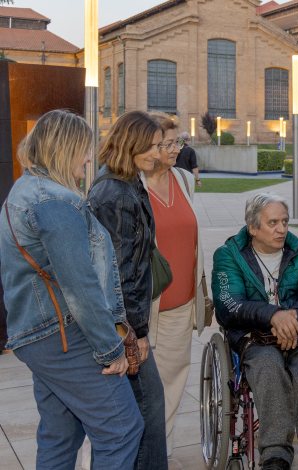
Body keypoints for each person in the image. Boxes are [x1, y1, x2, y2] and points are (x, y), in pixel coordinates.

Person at [0, 110, 143, 468]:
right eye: (84, 149)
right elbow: (80, 286)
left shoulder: (26, 188)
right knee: (122, 429)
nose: (89, 159)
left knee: (60, 434)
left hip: (38, 334)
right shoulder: (56, 202)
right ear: (65, 149)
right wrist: (111, 349)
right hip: (61, 333)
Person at [212, 193, 298, 470]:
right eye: (272, 223)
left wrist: (291, 319)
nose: (281, 229)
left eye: (284, 222)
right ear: (253, 228)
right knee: (268, 366)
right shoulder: (229, 256)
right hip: (256, 337)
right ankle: (275, 454)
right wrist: (273, 315)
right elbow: (229, 305)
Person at [88, 111, 168, 469]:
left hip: (125, 322)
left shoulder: (126, 181)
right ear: (132, 144)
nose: (158, 153)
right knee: (147, 407)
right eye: (151, 146)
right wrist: (136, 332)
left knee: (144, 409)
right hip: (124, 326)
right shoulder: (115, 192)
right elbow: (120, 273)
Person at [143, 114, 207, 456]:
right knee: (131, 395)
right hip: (144, 309)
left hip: (181, 307)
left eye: (176, 142)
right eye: (167, 143)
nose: (174, 149)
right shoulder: (132, 186)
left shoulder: (184, 180)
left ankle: (160, 456)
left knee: (170, 388)